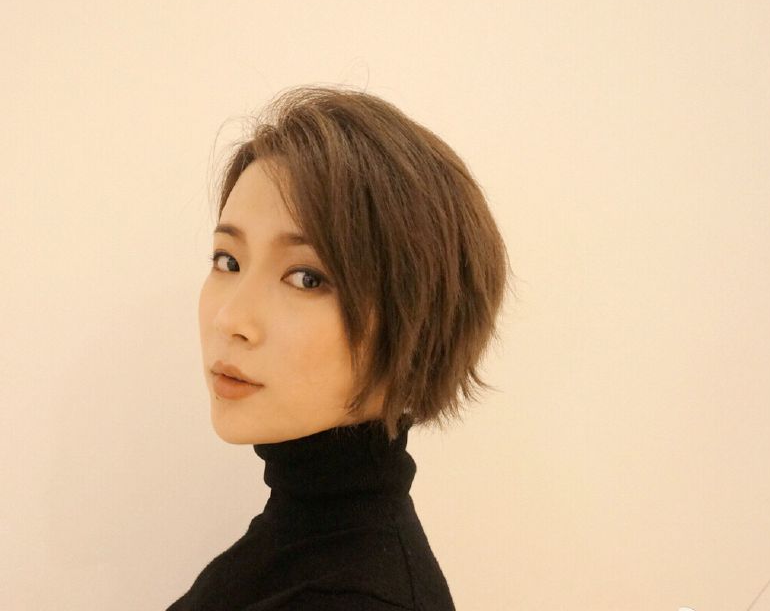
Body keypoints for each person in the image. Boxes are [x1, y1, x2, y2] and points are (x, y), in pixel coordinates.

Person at [166, 85, 512, 610]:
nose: (230, 318)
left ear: (414, 319)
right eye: (228, 261)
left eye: (306, 278)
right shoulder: (302, 533)